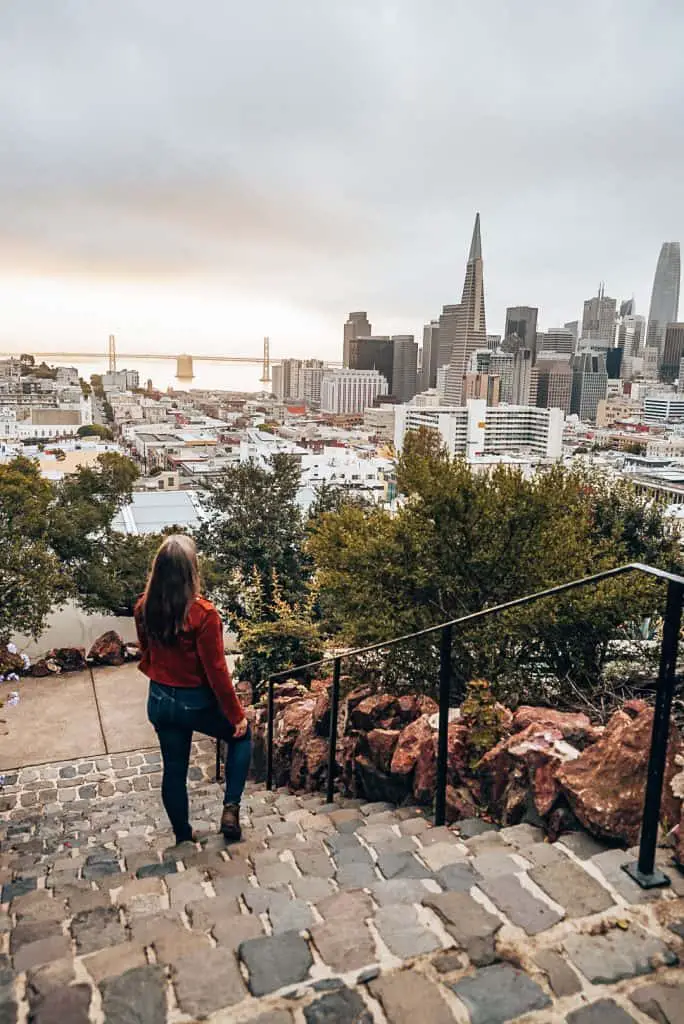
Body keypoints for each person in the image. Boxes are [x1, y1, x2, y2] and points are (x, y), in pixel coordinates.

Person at [134, 534, 251, 844]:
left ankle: (183, 836)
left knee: (174, 769)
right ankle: (230, 808)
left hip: (159, 699)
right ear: (191, 571)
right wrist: (236, 715)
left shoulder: (144, 607)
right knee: (243, 736)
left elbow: (146, 650)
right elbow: (216, 671)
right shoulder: (204, 614)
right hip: (194, 701)